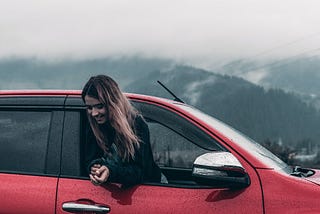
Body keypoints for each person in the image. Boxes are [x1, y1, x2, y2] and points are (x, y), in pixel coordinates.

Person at [82, 75, 162, 187]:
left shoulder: (136, 125)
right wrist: (95, 167)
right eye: (89, 108)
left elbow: (140, 171)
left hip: (146, 194)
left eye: (99, 106)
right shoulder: (92, 124)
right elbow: (89, 159)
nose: (94, 113)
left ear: (113, 103)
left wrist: (110, 172)